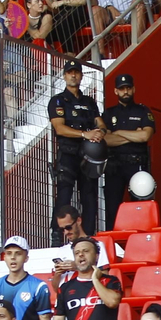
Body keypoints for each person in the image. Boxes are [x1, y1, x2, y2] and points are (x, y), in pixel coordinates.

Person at [48, 60, 102, 226]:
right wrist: (85, 134)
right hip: (68, 154)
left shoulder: (89, 102)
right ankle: (57, 235)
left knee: (89, 197)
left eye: (76, 72)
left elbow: (101, 124)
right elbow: (60, 128)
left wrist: (100, 132)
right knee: (64, 197)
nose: (73, 75)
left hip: (88, 155)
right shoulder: (58, 101)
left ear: (81, 75)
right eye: (70, 72)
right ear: (64, 76)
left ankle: (88, 235)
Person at [98, 72, 154, 231]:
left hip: (137, 164)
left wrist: (118, 133)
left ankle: (142, 239)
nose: (125, 92)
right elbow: (106, 140)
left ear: (133, 89)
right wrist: (133, 136)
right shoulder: (108, 114)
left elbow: (145, 136)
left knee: (141, 207)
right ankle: (113, 242)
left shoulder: (143, 111)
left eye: (128, 88)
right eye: (122, 89)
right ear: (116, 91)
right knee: (112, 210)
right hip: (114, 166)